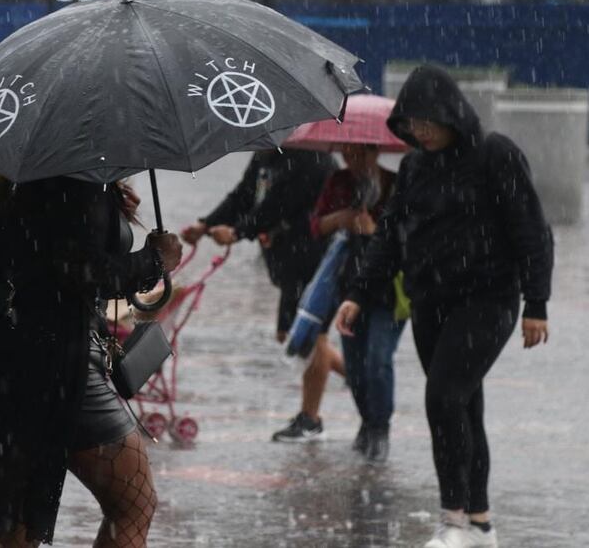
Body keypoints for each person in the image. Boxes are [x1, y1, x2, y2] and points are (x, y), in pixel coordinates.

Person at [333, 64, 553, 548]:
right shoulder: (414, 167)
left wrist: (536, 301)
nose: (420, 132)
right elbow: (390, 237)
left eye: (427, 122)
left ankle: (451, 520)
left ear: (451, 113)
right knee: (464, 407)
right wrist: (357, 294)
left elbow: (532, 230)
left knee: (443, 397)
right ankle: (480, 523)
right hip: (429, 304)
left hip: (488, 300)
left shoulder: (495, 155)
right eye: (411, 124)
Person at [0, 170, 182, 548]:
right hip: (52, 362)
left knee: (16, 526)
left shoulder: (25, 175)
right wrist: (155, 260)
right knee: (133, 502)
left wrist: (110, 208)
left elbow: (49, 255)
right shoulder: (72, 181)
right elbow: (82, 271)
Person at [180, 149, 336, 439]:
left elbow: (276, 207)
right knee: (294, 335)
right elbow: (243, 195)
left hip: (313, 257)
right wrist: (206, 224)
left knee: (311, 336)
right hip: (288, 259)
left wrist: (238, 233)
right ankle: (357, 377)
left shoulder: (309, 156)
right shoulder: (267, 153)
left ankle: (310, 419)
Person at [300, 143, 405, 460]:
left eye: (359, 154)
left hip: (389, 291)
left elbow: (406, 236)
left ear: (374, 152)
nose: (353, 161)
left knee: (378, 360)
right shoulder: (339, 182)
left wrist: (375, 232)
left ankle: (380, 428)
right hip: (348, 290)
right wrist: (341, 219)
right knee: (356, 368)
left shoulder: (396, 184)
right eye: (347, 155)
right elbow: (316, 225)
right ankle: (368, 422)